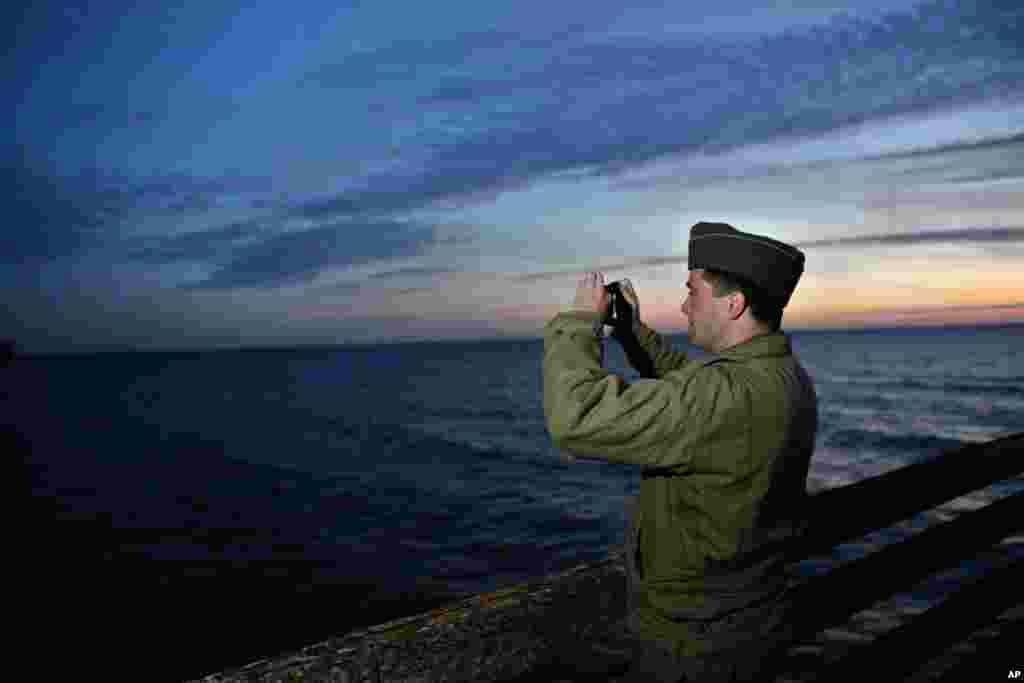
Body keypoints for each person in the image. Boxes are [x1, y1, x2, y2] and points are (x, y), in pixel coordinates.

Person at [542, 221, 818, 682]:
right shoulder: (783, 376)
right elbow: (691, 388)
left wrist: (579, 324)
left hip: (696, 647)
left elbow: (578, 417)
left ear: (734, 304)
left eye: (693, 292)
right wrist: (631, 332)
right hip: (752, 620)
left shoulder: (725, 394)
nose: (684, 305)